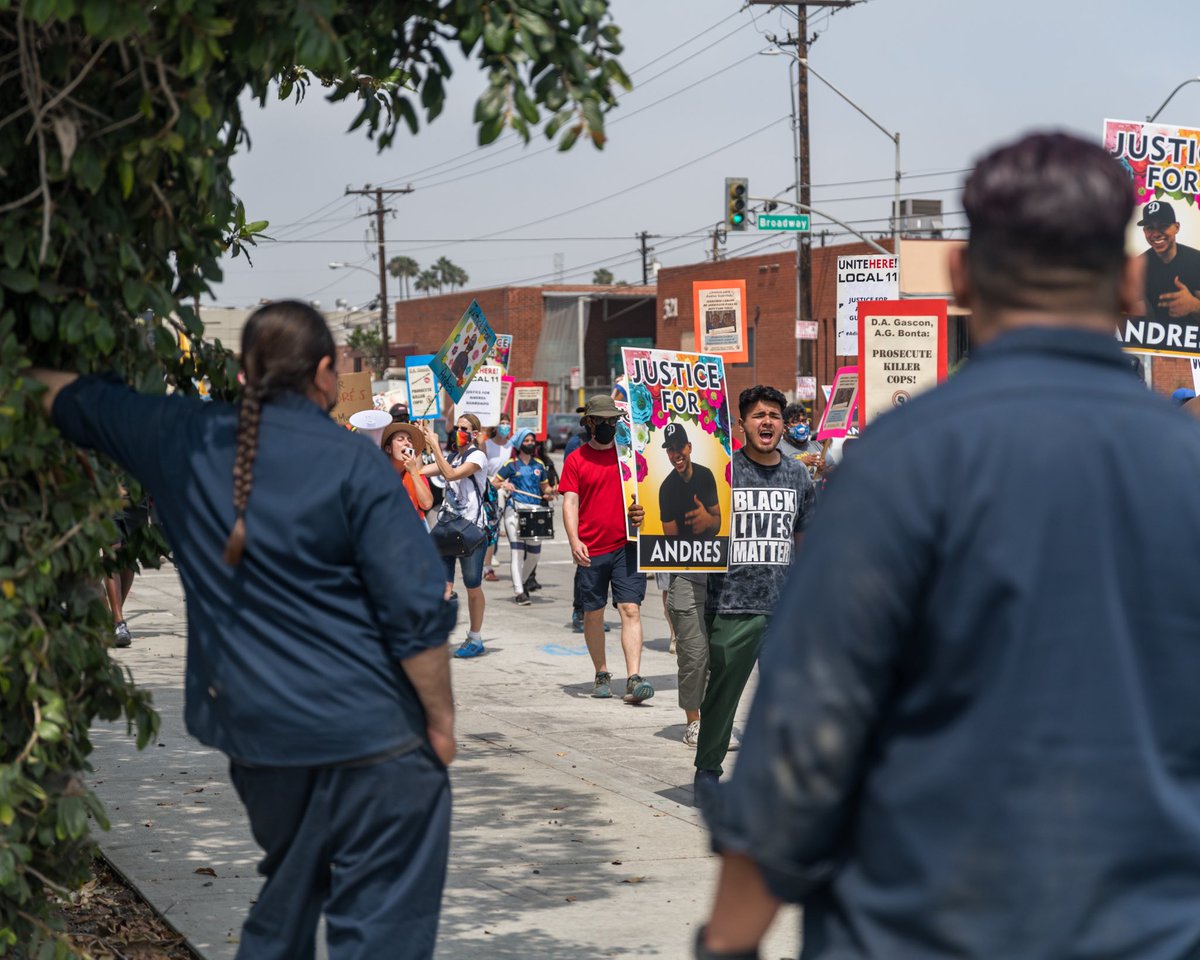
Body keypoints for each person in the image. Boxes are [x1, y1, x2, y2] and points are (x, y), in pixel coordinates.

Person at [698, 131, 1200, 960]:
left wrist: (728, 941)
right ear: (1127, 283)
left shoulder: (894, 465)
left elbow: (806, 735)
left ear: (963, 279)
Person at [31, 301, 455, 960]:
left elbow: (66, 396)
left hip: (263, 747)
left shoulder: (182, 435)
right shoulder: (354, 464)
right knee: (379, 931)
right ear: (324, 375)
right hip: (374, 740)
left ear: (241, 370)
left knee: (287, 902)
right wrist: (440, 722)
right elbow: (417, 614)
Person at [689, 385, 813, 794]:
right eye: (759, 415)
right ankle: (708, 769)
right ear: (742, 424)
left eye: (775, 416)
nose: (768, 422)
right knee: (723, 696)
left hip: (786, 608)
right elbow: (679, 518)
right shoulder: (722, 470)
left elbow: (805, 536)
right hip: (730, 603)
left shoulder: (798, 473)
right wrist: (643, 515)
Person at [560, 395, 652, 703]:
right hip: (592, 547)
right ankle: (601, 673)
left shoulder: (628, 457)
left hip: (627, 545)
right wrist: (574, 540)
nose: (608, 426)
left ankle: (634, 677)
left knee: (630, 608)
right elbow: (570, 502)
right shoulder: (576, 459)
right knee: (594, 613)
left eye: (613, 421)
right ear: (589, 423)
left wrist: (643, 512)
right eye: (602, 421)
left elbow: (646, 494)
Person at [422, 413, 489, 659]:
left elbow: (450, 474)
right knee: (443, 586)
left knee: (473, 586)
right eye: (458, 427)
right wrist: (422, 442)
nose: (459, 431)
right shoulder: (450, 456)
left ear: (474, 434)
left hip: (471, 529)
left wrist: (437, 448)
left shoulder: (477, 456)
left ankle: (475, 636)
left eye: (465, 428)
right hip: (448, 528)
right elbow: (419, 470)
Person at [493, 428, 553, 606]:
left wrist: (551, 492)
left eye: (532, 440)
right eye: (526, 441)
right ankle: (519, 591)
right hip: (515, 510)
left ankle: (522, 582)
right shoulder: (510, 465)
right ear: (519, 444)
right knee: (517, 552)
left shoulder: (539, 465)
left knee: (534, 555)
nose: (530, 444)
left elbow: (546, 489)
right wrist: (505, 484)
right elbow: (494, 483)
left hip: (535, 510)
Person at [1137, 199, 1200, 322]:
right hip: (1155, 338)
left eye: (1163, 226)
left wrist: (1195, 305)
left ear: (1176, 227)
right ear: (1144, 231)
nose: (1156, 234)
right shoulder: (1139, 267)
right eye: (1150, 228)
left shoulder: (1196, 261)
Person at [657, 423, 721, 539]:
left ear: (689, 447)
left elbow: (717, 524)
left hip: (708, 551)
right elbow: (672, 543)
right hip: (682, 555)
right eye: (671, 449)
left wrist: (709, 521)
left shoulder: (706, 476)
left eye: (680, 446)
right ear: (667, 453)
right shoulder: (666, 490)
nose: (676, 454)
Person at [480, 414, 513, 581]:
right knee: (491, 527)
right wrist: (497, 484)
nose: (505, 426)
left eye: (508, 423)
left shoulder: (512, 446)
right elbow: (483, 471)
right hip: (492, 489)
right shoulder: (487, 445)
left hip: (511, 489)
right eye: (502, 423)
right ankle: (487, 566)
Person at [382, 421, 433, 521]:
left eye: (409, 440)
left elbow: (427, 504)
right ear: (388, 449)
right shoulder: (379, 474)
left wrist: (413, 471)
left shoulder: (416, 474)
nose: (407, 443)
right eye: (400, 439)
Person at [780, 402, 824, 479]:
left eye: (804, 421)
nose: (801, 426)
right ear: (784, 427)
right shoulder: (777, 448)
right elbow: (774, 474)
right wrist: (801, 463)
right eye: (795, 422)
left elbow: (837, 473)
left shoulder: (817, 446)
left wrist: (825, 469)